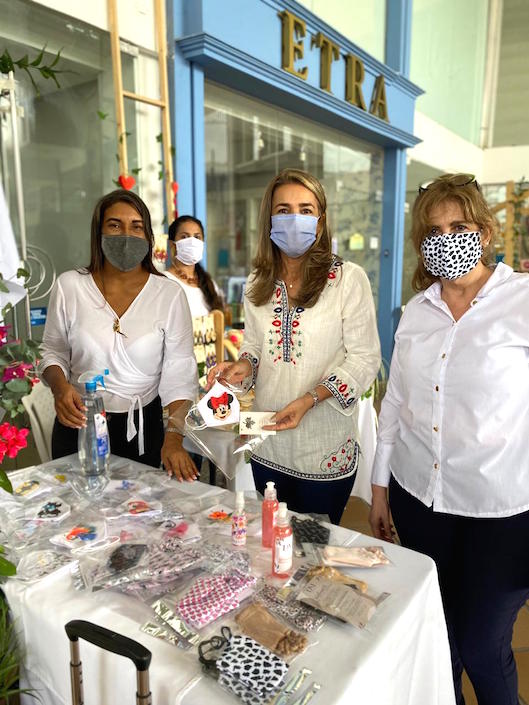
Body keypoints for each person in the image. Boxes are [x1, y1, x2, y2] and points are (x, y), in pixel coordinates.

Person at [369, 173, 529, 705]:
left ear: (483, 231)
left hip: (500, 510)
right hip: (421, 499)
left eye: (457, 225)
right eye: (434, 231)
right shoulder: (416, 312)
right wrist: (378, 488)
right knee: (440, 640)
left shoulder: (521, 301)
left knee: (483, 645)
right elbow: (394, 404)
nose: (446, 238)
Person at [207, 168, 381, 524]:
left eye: (306, 209)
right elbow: (255, 346)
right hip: (268, 443)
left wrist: (309, 399)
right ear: (269, 219)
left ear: (320, 221)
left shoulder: (348, 279)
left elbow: (366, 359)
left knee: (312, 551)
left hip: (323, 447)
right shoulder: (258, 282)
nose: (294, 218)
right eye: (283, 210)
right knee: (272, 546)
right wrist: (243, 366)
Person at [40, 189, 199, 481]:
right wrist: (60, 388)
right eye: (114, 225)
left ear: (149, 236)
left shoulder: (168, 295)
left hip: (142, 430)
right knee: (79, 520)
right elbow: (53, 351)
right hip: (79, 425)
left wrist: (174, 438)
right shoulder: (70, 286)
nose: (126, 234)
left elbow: (180, 373)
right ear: (98, 233)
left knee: (139, 522)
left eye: (136, 226)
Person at [165, 215, 224, 316]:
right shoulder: (164, 282)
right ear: (172, 244)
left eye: (197, 237)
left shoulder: (209, 284)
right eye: (184, 236)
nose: (192, 242)